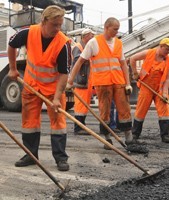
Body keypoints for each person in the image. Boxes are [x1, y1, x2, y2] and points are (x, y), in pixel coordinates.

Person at [7, 5, 71, 171]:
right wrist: (13, 69)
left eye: (60, 25)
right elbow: (11, 44)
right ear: (44, 21)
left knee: (58, 122)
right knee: (30, 122)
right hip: (31, 85)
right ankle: (30, 155)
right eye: (54, 25)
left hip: (52, 89)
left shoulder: (63, 43)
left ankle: (60, 158)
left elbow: (64, 74)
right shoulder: (28, 32)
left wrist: (57, 98)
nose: (58, 29)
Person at [67, 17, 134, 149]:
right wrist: (70, 81)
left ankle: (129, 139)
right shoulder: (94, 43)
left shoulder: (118, 43)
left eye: (118, 29)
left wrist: (128, 83)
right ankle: (107, 139)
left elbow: (123, 65)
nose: (116, 32)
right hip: (103, 83)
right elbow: (79, 62)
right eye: (115, 29)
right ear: (106, 27)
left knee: (124, 109)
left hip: (118, 81)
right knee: (105, 111)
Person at [130, 38, 169, 143]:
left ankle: (165, 135)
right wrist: (135, 73)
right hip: (146, 86)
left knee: (164, 110)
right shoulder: (149, 53)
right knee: (141, 110)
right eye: (167, 49)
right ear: (161, 46)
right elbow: (132, 58)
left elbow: (167, 78)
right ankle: (135, 134)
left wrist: (164, 93)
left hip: (159, 88)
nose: (168, 52)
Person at [71, 28, 96, 135]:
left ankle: (82, 124)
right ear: (85, 36)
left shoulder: (86, 47)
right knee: (80, 104)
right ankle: (78, 127)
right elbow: (77, 61)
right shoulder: (78, 47)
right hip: (81, 79)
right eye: (91, 36)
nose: (93, 38)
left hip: (86, 80)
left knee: (84, 104)